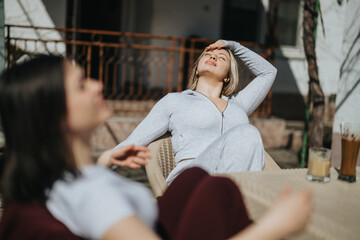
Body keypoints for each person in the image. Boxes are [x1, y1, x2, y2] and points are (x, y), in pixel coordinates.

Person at [0, 55, 311, 240]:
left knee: (209, 179)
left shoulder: (70, 181)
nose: (97, 85)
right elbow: (91, 197)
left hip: (212, 179)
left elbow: (268, 71)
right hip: (198, 179)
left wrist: (105, 160)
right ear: (56, 116)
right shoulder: (94, 194)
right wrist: (273, 228)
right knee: (213, 183)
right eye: (82, 85)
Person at [107, 40, 277, 184]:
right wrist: (96, 169)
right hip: (192, 179)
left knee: (249, 137)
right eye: (208, 54)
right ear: (196, 69)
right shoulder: (175, 101)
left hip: (232, 180)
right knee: (248, 133)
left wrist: (233, 46)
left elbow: (268, 72)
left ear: (228, 77)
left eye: (221, 57)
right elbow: (135, 140)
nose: (213, 56)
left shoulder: (239, 105)